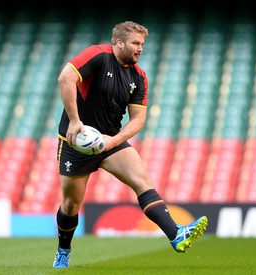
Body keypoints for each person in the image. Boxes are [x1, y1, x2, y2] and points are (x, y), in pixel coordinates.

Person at [53, 20, 208, 269]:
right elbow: (65, 78)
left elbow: (138, 120)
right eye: (136, 43)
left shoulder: (139, 77)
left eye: (142, 44)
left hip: (110, 140)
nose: (140, 48)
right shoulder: (98, 55)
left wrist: (113, 141)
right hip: (77, 142)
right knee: (71, 204)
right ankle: (63, 250)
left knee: (142, 181)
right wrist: (74, 122)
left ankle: (176, 234)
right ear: (118, 42)